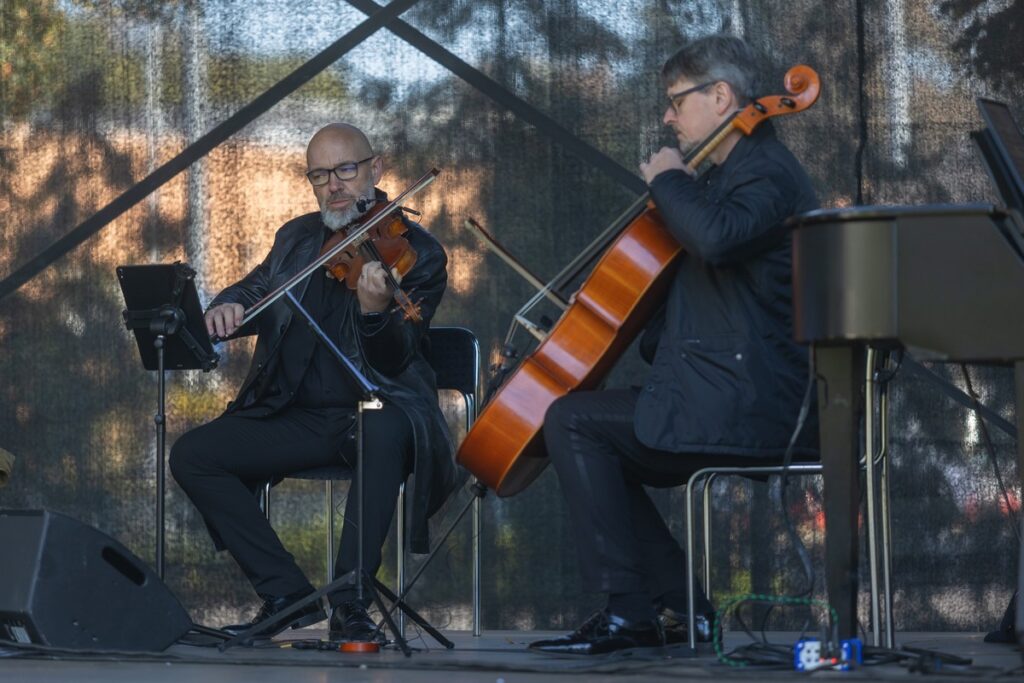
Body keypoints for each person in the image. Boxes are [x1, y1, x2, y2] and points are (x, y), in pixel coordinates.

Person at [529, 34, 820, 655]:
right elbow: (684, 315)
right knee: (588, 433)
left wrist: (668, 182)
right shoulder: (724, 179)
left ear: (721, 97)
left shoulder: (766, 172)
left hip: (754, 403)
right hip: (721, 391)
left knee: (574, 423)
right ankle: (680, 610)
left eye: (676, 101)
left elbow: (716, 238)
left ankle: (632, 612)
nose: (667, 117)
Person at [170, 123, 455, 643]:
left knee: (382, 426)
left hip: (377, 409)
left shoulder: (420, 254)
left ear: (376, 168)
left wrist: (375, 313)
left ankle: (351, 601)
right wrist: (227, 303)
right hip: (295, 415)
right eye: (320, 175)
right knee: (193, 454)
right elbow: (256, 287)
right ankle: (286, 595)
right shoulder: (297, 237)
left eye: (345, 169)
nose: (334, 185)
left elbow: (398, 355)